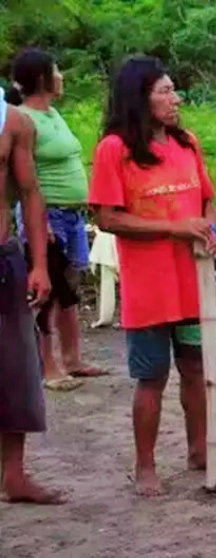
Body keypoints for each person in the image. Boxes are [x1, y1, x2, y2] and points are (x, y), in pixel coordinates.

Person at [89, 55, 216, 497]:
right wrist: (174, 228)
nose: (174, 98)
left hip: (192, 282)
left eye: (173, 89)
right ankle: (145, 465)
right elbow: (108, 218)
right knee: (151, 377)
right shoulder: (114, 149)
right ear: (140, 98)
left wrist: (207, 227)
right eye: (164, 90)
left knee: (195, 367)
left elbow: (208, 201)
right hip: (149, 289)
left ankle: (199, 449)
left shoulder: (187, 143)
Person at [9, 48, 107, 392]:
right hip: (47, 215)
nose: (62, 76)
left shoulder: (52, 114)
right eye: (56, 71)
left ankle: (72, 358)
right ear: (41, 78)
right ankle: (47, 366)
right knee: (47, 292)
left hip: (73, 215)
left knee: (70, 289)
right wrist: (41, 224)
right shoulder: (22, 119)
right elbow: (26, 179)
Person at [0, 84, 64, 504]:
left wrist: (39, 264)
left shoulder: (12, 121)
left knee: (15, 366)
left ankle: (14, 476)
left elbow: (30, 191)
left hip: (2, 255)